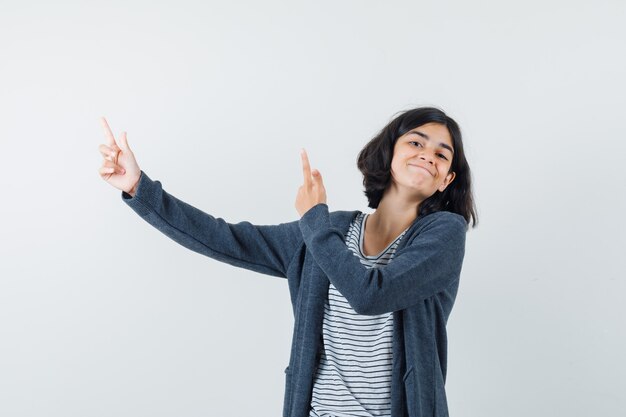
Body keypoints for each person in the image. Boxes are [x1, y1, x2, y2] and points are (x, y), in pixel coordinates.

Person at [97, 106, 478, 417]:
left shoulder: (443, 235)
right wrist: (139, 188)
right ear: (390, 153)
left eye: (442, 154)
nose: (428, 154)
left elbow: (371, 296)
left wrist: (313, 220)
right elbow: (226, 239)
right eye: (416, 141)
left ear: (446, 179)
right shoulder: (330, 230)